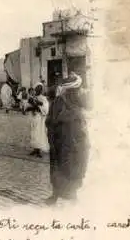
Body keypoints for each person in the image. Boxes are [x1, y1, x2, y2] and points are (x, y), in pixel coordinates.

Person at [45, 73, 89, 205]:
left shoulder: (76, 101)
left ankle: (71, 196)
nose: (79, 91)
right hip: (62, 140)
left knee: (72, 167)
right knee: (60, 167)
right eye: (77, 89)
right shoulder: (60, 101)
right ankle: (56, 196)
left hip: (73, 141)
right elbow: (51, 120)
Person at [26, 83, 49, 158]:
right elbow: (26, 107)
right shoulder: (32, 97)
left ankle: (38, 150)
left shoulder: (43, 98)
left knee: (39, 133)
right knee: (33, 133)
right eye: (36, 88)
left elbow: (46, 109)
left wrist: (37, 106)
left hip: (39, 118)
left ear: (41, 90)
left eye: (39, 88)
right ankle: (35, 148)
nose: (38, 90)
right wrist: (31, 106)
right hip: (33, 118)